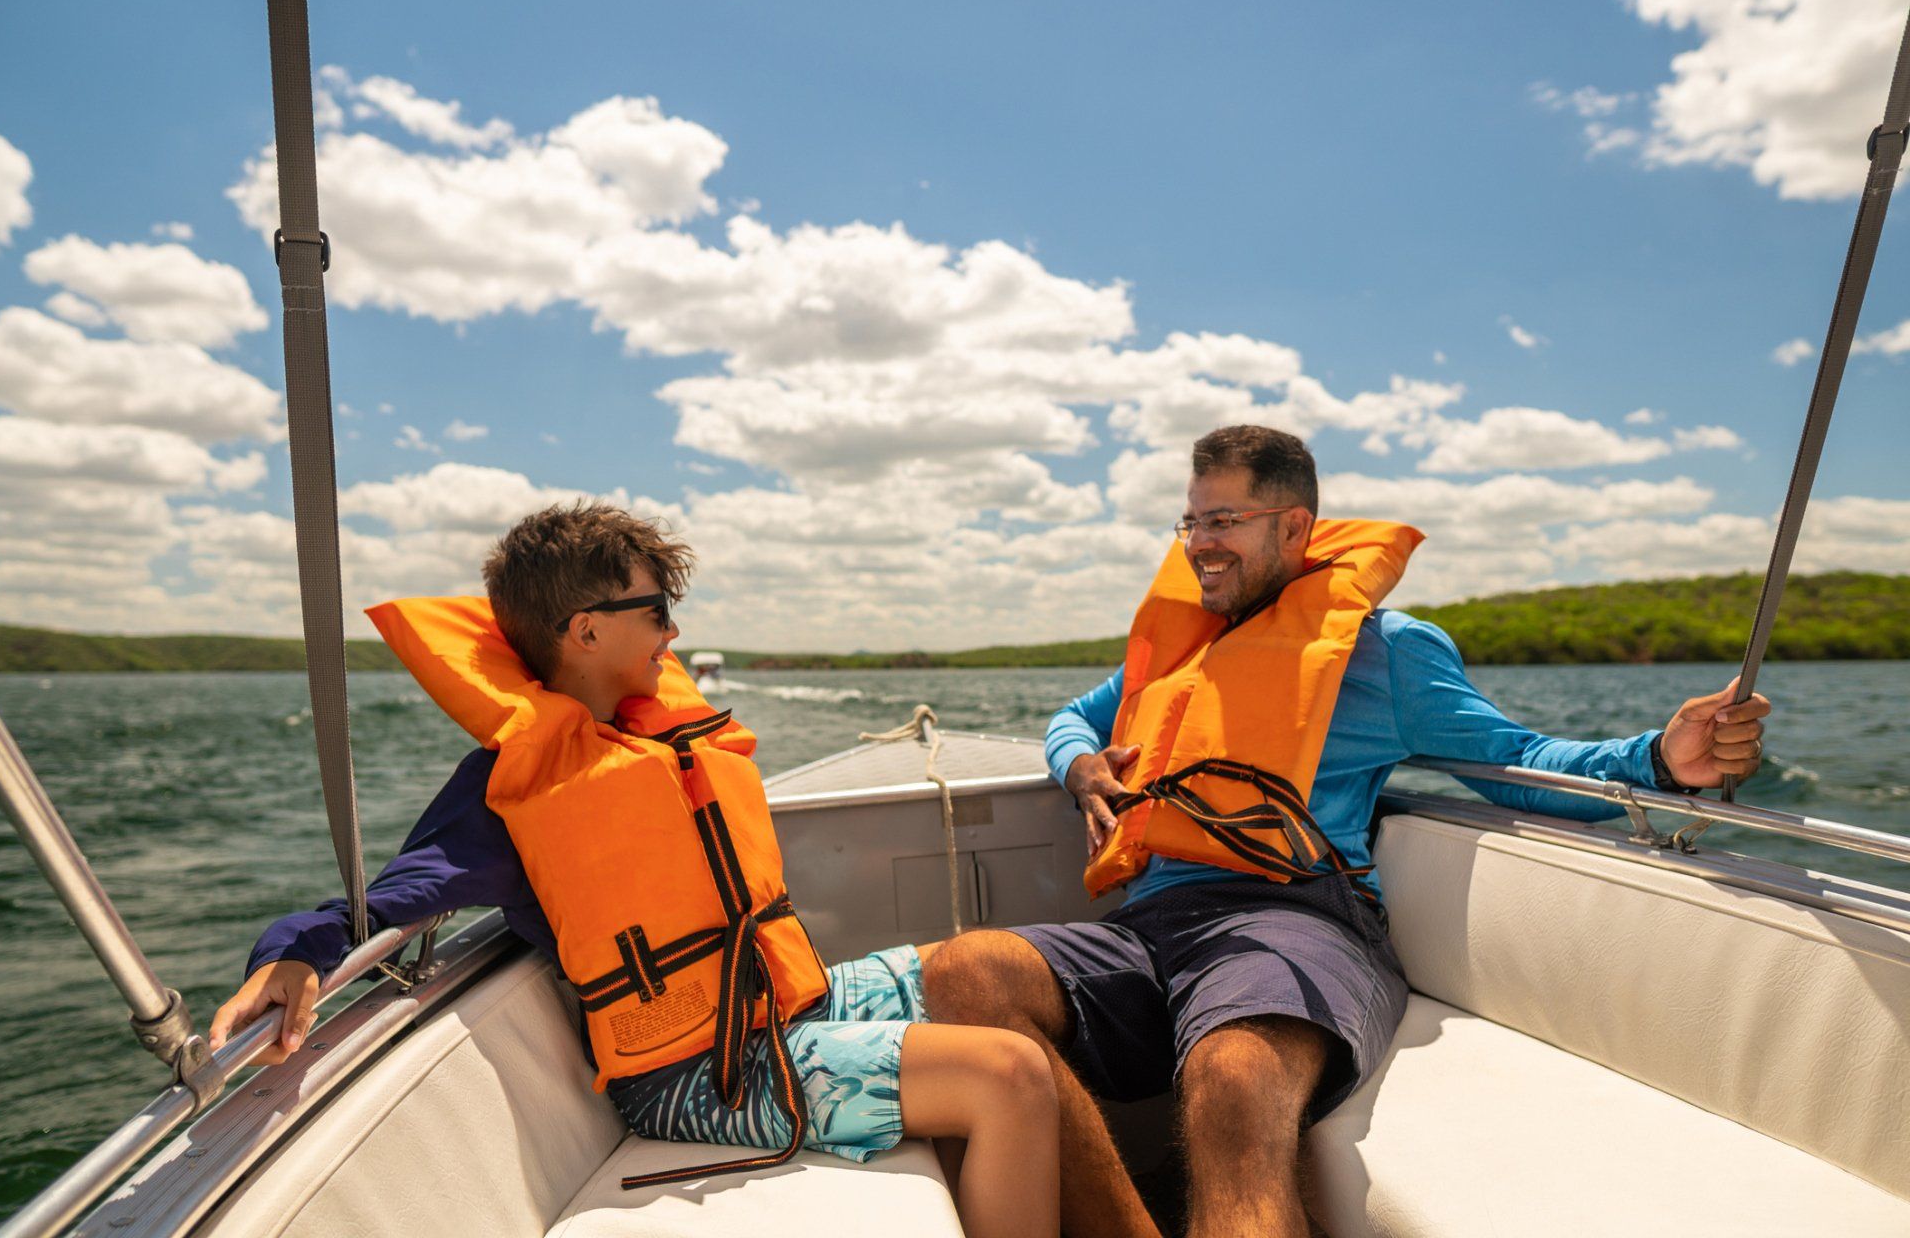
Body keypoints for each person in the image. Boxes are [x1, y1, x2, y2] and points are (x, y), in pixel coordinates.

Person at [922, 425, 1771, 1238]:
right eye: (1191, 520)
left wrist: (1660, 759)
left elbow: (1519, 758)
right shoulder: (1187, 647)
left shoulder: (1385, 655)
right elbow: (1074, 718)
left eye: (1223, 520)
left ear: (1294, 526)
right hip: (1154, 927)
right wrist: (1079, 767)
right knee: (969, 972)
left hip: (1300, 919)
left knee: (1235, 1072)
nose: (1197, 542)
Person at [210, 502, 1057, 1238]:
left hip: (779, 1004)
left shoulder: (652, 739)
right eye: (655, 612)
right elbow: (394, 898)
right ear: (586, 629)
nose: (673, 634)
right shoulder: (514, 788)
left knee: (993, 962)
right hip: (694, 1076)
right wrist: (293, 952)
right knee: (1008, 1078)